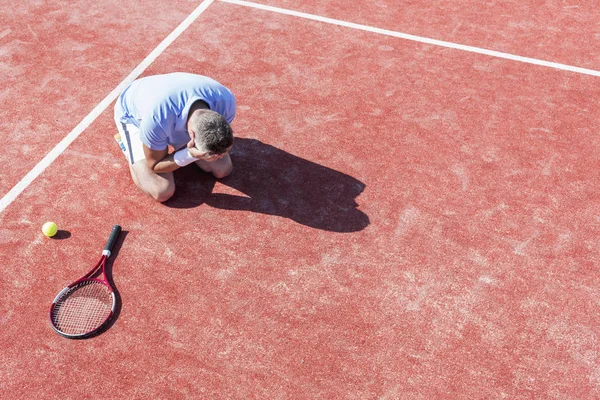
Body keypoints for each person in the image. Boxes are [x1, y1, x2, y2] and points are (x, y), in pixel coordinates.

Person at [113, 72, 236, 202]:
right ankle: (128, 145)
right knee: (162, 190)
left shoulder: (227, 103)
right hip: (133, 115)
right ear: (191, 135)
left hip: (169, 100)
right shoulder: (156, 120)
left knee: (223, 170)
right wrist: (189, 154)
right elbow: (155, 164)